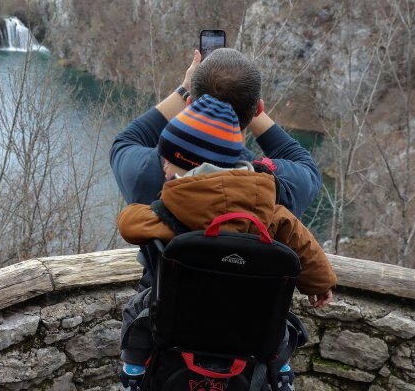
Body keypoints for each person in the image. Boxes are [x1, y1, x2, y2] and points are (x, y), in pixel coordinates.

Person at [117, 95, 336, 390]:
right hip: (250, 327)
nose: (164, 166)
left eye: (167, 160)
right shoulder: (268, 208)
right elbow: (303, 244)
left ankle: (133, 374)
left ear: (183, 165)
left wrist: (160, 206)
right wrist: (319, 284)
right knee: (280, 324)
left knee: (137, 308)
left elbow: (128, 224)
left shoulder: (170, 212)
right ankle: (281, 371)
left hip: (182, 325)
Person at [110, 48, 322, 219]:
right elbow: (307, 167)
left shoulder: (147, 171)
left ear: (190, 104)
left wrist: (184, 89)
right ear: (258, 109)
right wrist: (246, 105)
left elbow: (126, 140)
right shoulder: (268, 186)